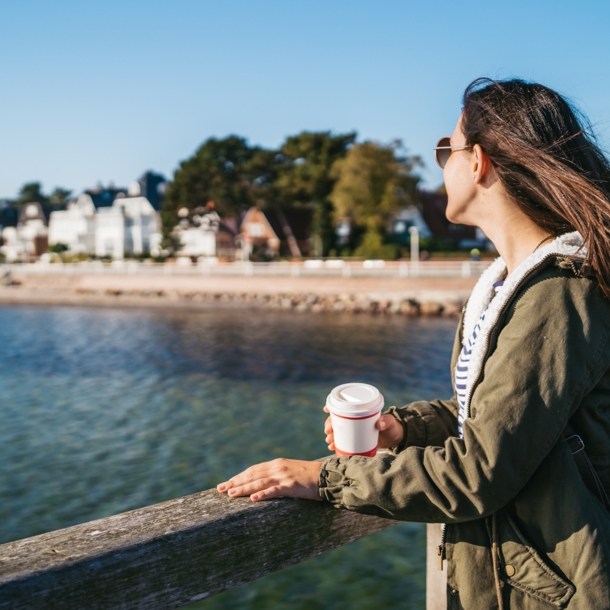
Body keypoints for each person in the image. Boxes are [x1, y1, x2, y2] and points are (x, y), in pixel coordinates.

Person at [217, 78, 610, 609]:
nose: (441, 164)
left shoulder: (557, 294)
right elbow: (497, 417)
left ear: (479, 163)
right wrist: (404, 428)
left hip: (556, 593)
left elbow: (477, 472)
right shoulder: (510, 282)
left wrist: (325, 478)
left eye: (446, 149)